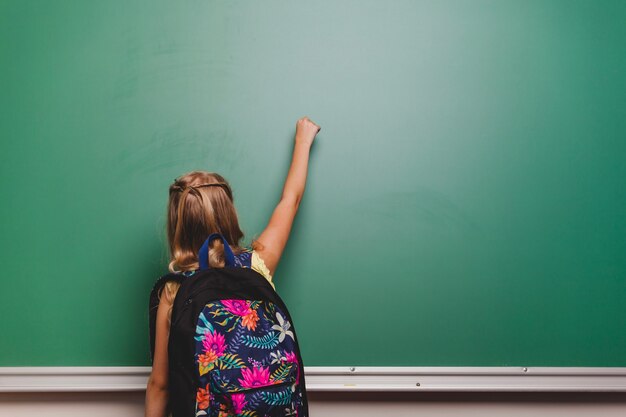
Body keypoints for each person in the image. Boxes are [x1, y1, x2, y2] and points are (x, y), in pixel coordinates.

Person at [145, 116, 321, 417]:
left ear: (177, 224)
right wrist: (303, 142)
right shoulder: (257, 264)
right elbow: (289, 201)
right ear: (229, 213)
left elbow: (160, 385)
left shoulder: (174, 291)